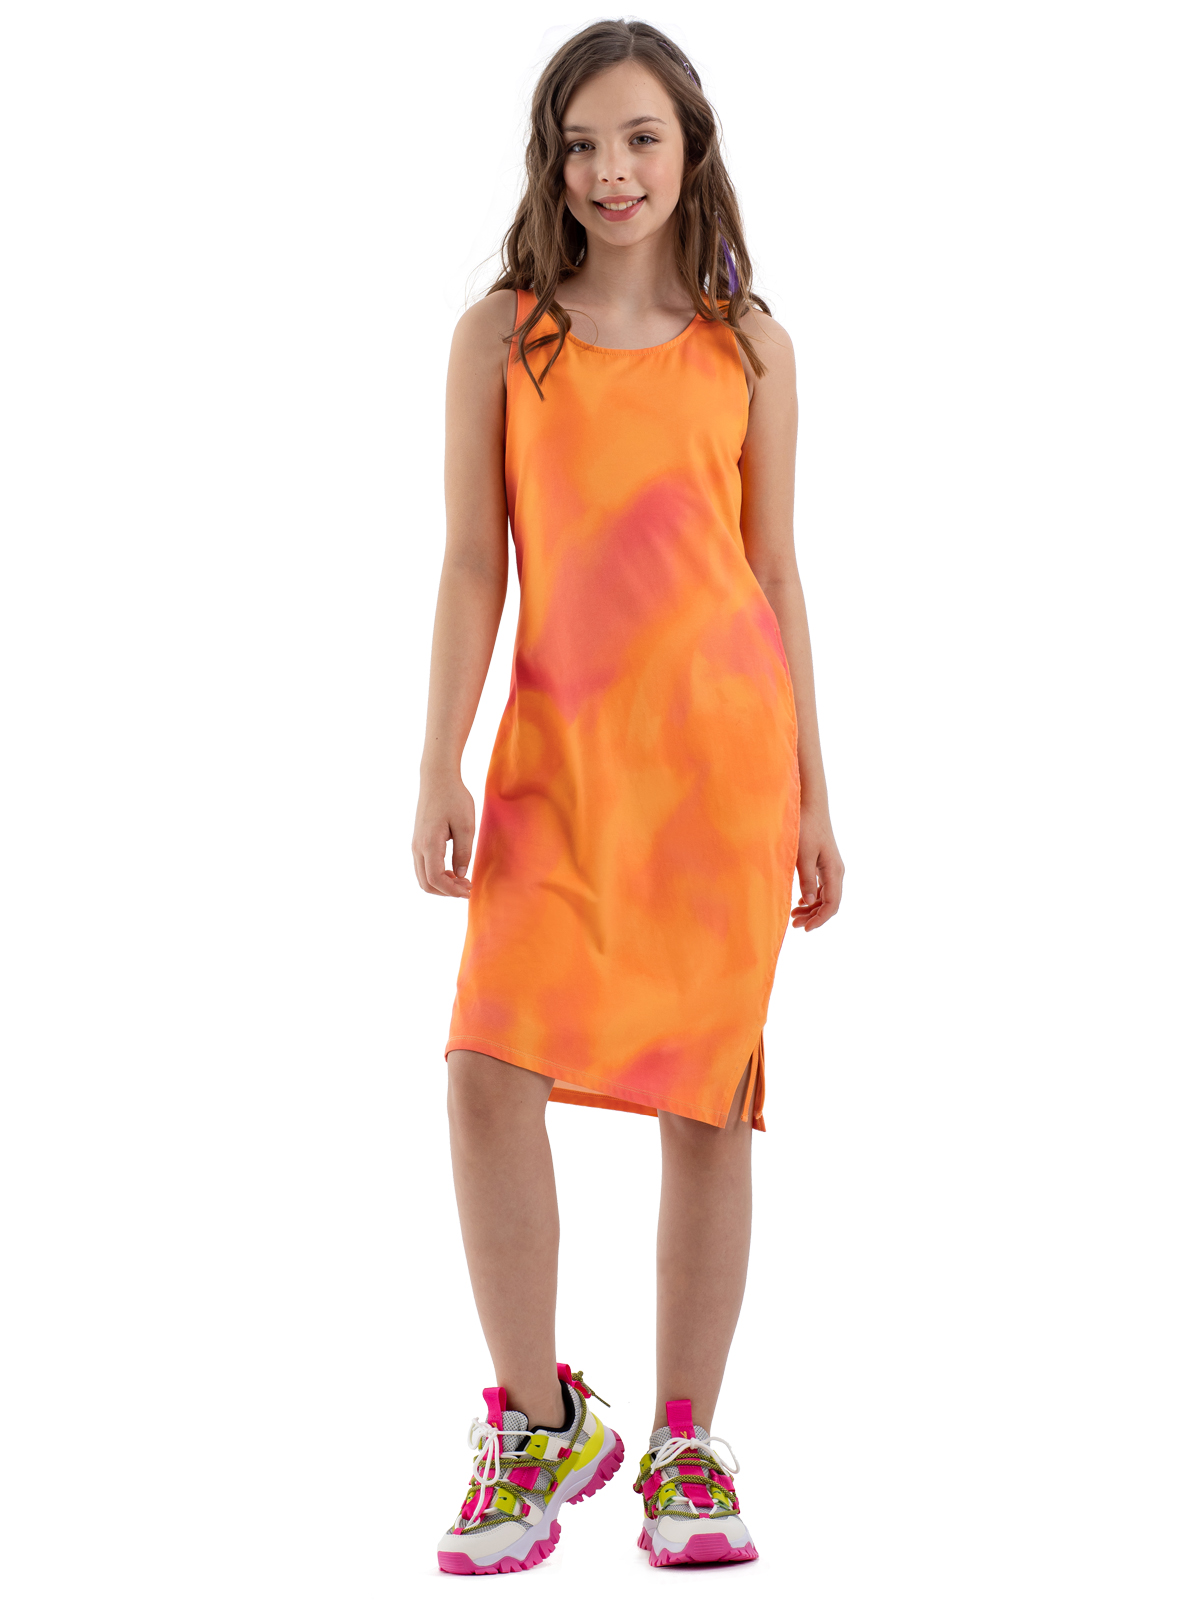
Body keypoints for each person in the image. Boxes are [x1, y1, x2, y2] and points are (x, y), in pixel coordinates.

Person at [413, 18, 844, 1574]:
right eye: (584, 143)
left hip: (719, 775)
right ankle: (537, 1425)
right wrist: (438, 759)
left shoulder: (753, 350)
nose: (612, 170)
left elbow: (774, 572)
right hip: (556, 770)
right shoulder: (502, 338)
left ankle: (685, 1445)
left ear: (690, 151)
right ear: (553, 160)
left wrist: (814, 795)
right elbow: (476, 565)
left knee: (705, 1104)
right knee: (486, 1075)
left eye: (641, 138)